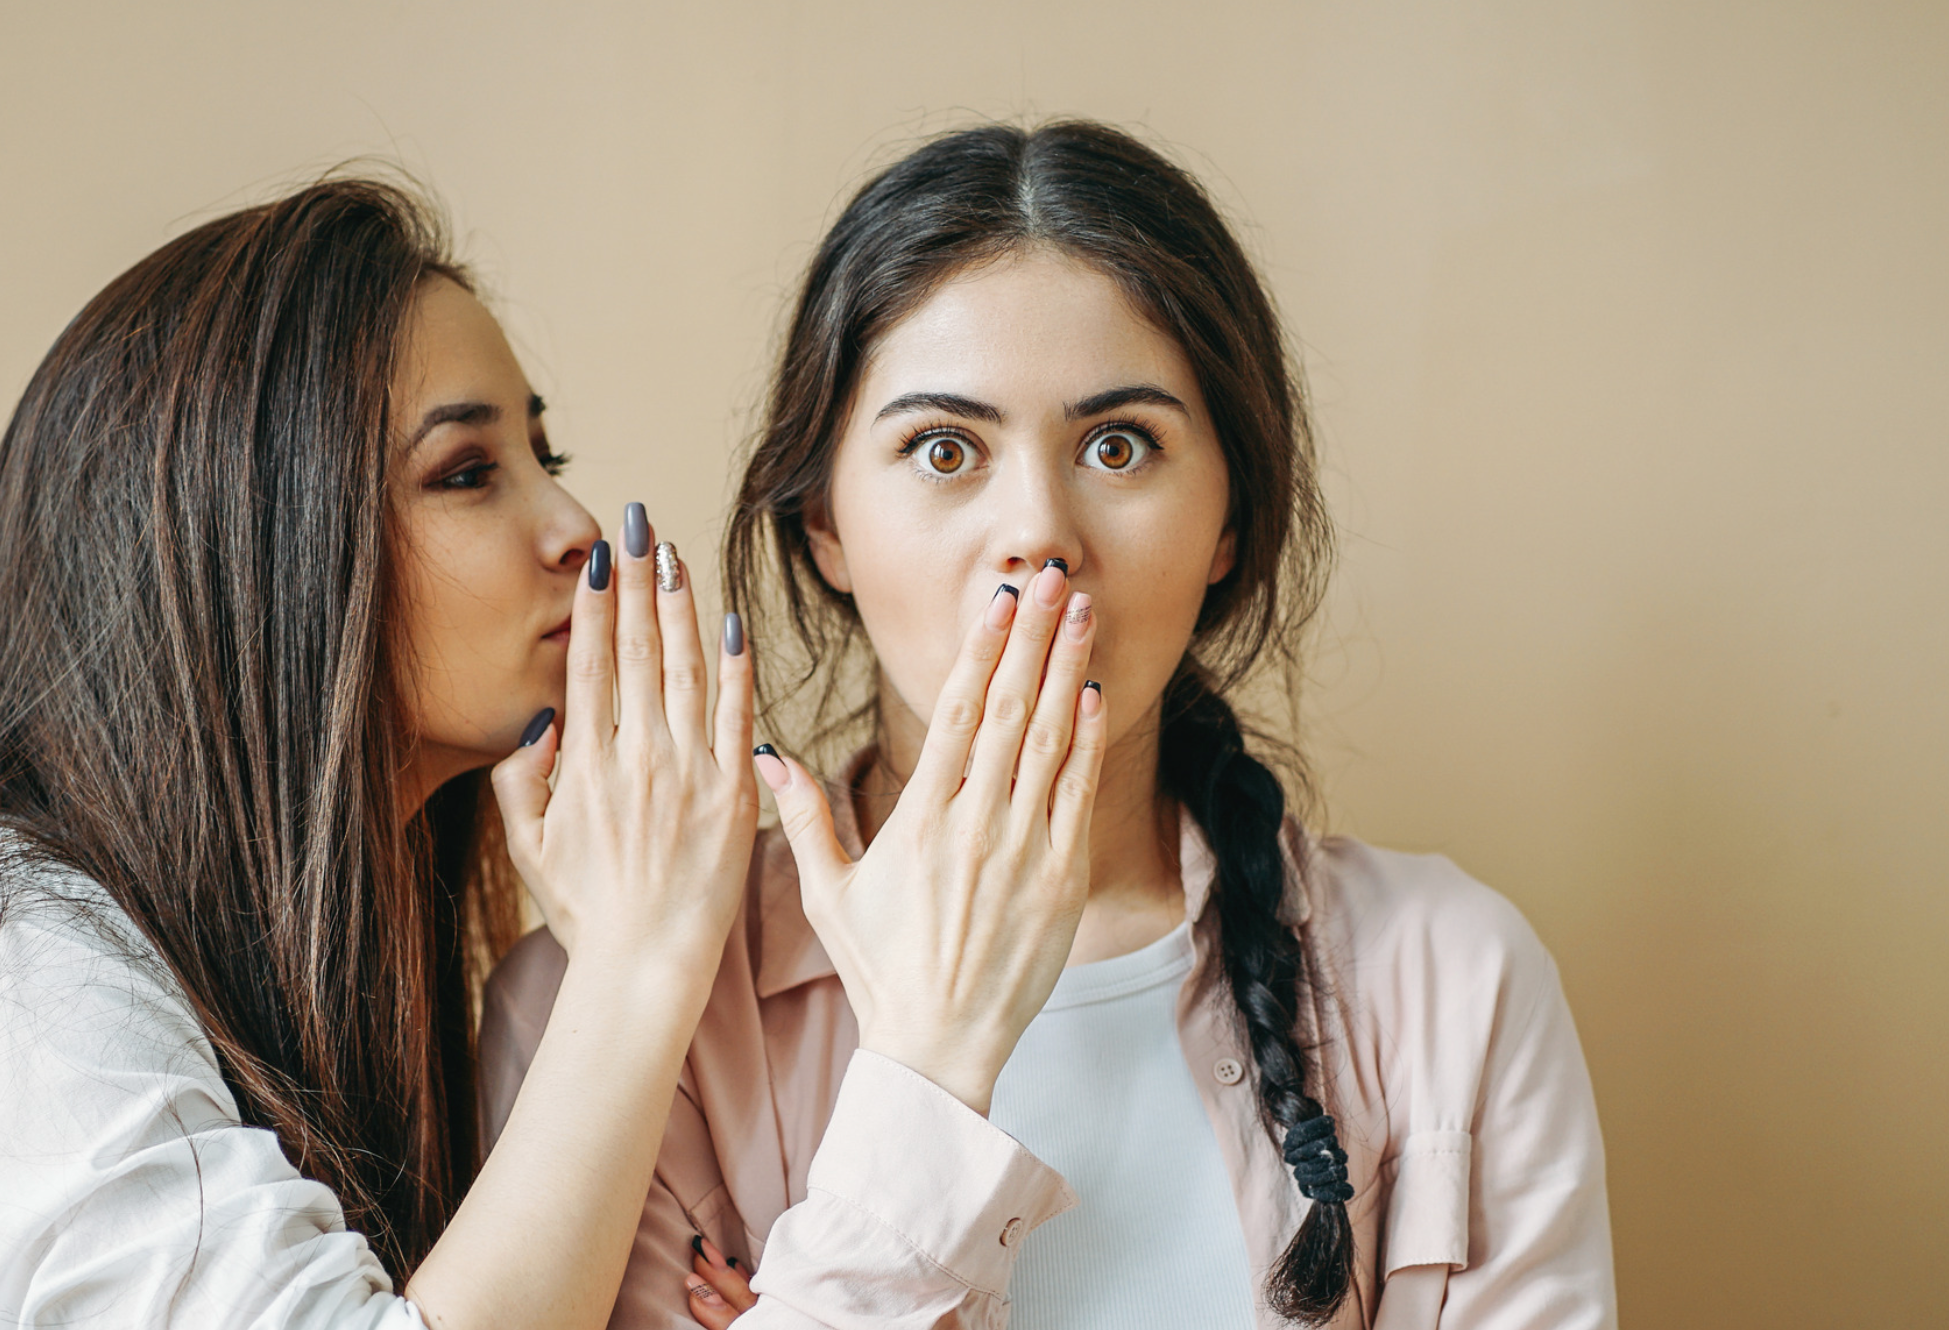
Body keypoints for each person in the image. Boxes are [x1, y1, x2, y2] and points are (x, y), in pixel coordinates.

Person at [481, 121, 1617, 1330]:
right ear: (823, 525)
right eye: (943, 448)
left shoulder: (1453, 977)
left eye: (1117, 446)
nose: (1039, 530)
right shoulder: (608, 1017)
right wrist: (925, 1067)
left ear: (1228, 520)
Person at [0, 177, 779, 1330]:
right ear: (259, 545)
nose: (574, 528)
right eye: (466, 472)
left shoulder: (328, 976)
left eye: (544, 458)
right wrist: (639, 955)